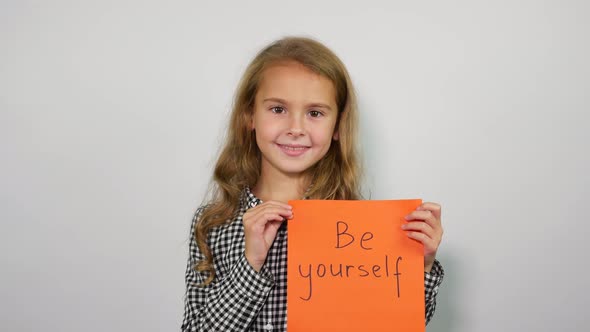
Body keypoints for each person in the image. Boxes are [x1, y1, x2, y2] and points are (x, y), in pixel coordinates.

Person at [181, 36, 444, 332]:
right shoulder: (213, 224)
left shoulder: (362, 230)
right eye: (278, 109)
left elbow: (392, 325)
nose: (296, 129)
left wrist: (417, 267)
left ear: (337, 127)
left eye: (315, 113)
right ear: (249, 115)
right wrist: (250, 263)